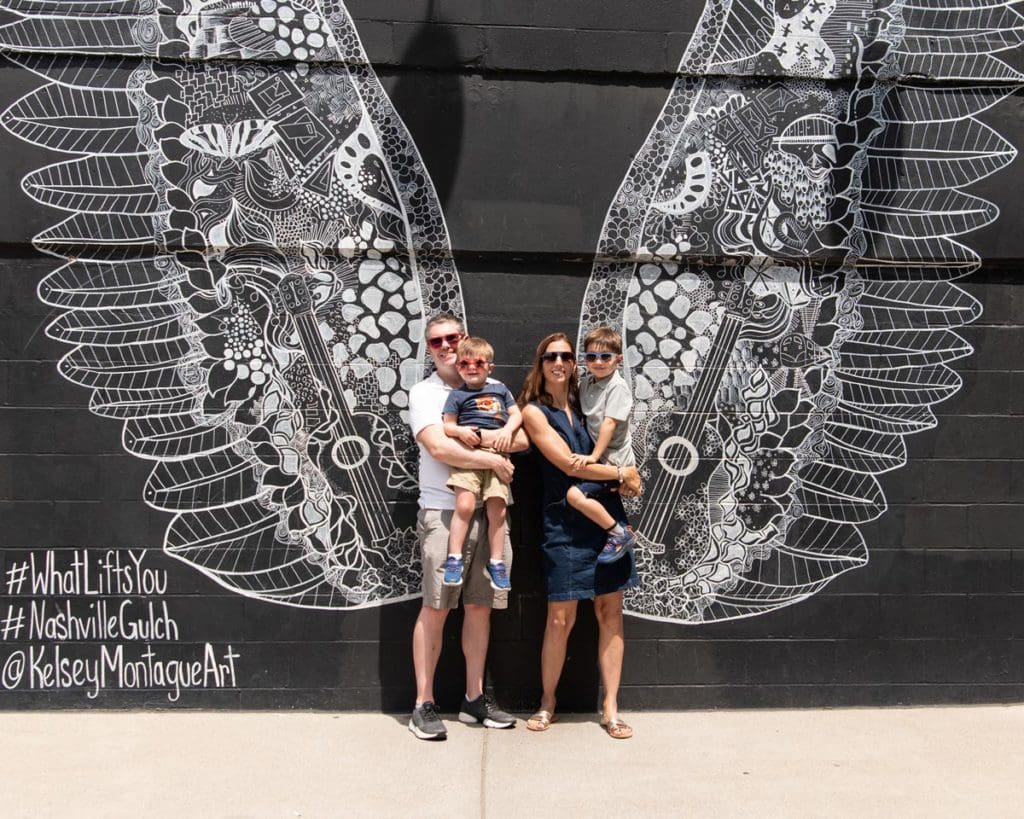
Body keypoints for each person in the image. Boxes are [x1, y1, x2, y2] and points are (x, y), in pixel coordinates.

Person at [518, 332, 642, 740]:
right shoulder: (536, 413)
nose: (559, 361)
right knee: (559, 619)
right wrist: (624, 474)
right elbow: (571, 466)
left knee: (610, 615)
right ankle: (547, 701)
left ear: (574, 364)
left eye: (566, 356)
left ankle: (610, 709)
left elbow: (613, 441)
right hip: (564, 524)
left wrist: (621, 472)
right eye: (550, 355)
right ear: (540, 364)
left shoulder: (588, 402)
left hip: (607, 520)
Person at [406, 313, 524, 741]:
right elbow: (438, 446)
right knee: (436, 607)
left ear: (466, 340)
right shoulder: (426, 393)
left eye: (452, 337)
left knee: (480, 607)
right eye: (436, 341)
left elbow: (524, 438)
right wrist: (494, 457)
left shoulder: (490, 388)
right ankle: (423, 703)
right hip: (443, 512)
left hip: (489, 512)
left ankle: (474, 698)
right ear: (430, 348)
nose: (445, 346)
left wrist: (495, 441)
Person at [442, 336, 522, 592]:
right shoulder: (457, 395)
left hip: (499, 457)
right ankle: (454, 558)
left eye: (478, 362)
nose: (471, 367)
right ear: (459, 367)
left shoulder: (500, 390)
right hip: (469, 456)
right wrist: (460, 433)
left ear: (490, 367)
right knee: (464, 505)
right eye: (464, 363)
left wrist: (508, 431)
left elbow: (516, 414)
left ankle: (496, 562)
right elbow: (448, 425)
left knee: (497, 511)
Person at [566, 326, 637, 564]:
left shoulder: (617, 387)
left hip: (614, 458)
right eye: (591, 357)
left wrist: (593, 457)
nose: (598, 362)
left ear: (618, 359)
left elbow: (609, 424)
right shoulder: (588, 383)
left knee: (575, 496)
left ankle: (619, 533)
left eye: (605, 356)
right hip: (601, 455)